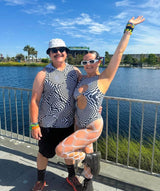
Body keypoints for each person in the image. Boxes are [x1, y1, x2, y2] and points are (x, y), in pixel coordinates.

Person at [55, 16, 145, 191]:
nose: (88, 64)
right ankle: (88, 183)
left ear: (99, 61)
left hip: (92, 126)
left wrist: (129, 27)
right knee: (88, 151)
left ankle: (89, 160)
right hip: (78, 123)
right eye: (85, 62)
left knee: (61, 150)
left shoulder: (104, 78)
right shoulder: (81, 79)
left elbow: (119, 52)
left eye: (91, 61)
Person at [30, 38, 83, 191]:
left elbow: (84, 92)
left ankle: (71, 176)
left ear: (66, 53)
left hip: (68, 123)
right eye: (54, 50)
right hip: (47, 124)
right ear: (49, 54)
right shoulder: (43, 74)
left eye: (62, 49)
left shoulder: (75, 71)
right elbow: (34, 100)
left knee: (68, 151)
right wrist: (34, 124)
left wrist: (94, 107)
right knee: (43, 153)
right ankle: (40, 180)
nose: (58, 52)